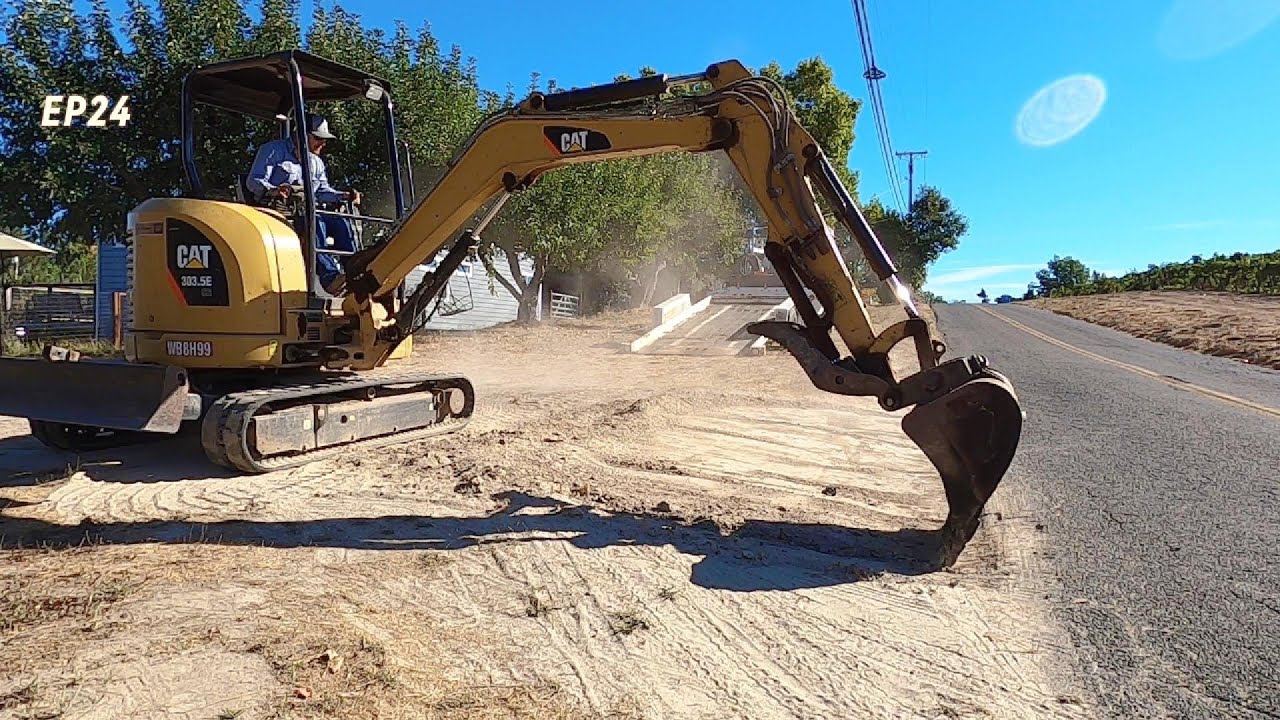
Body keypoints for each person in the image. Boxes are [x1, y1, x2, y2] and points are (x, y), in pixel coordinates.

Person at [246, 113, 362, 294]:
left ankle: (355, 272)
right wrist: (275, 189)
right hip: (280, 211)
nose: (323, 143)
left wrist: (344, 196)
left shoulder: (316, 162)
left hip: (307, 210)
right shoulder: (273, 151)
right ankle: (329, 277)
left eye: (324, 139)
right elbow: (254, 181)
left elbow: (322, 191)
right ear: (301, 134)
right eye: (318, 138)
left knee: (340, 223)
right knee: (316, 222)